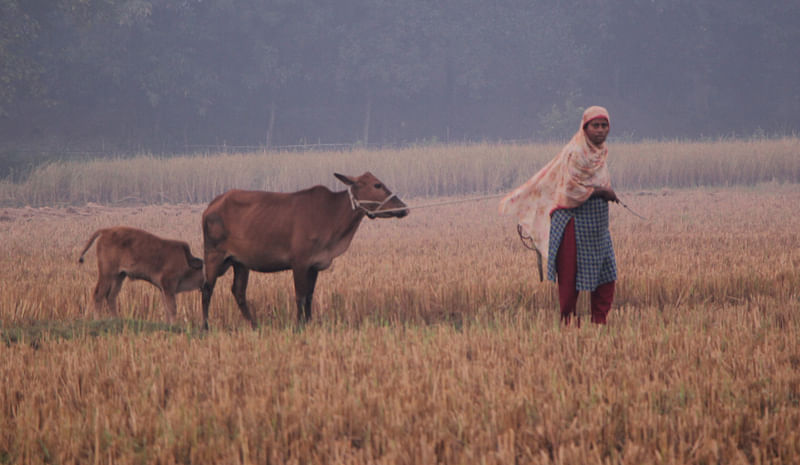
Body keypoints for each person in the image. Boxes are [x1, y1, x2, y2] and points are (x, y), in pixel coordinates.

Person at [499, 106, 618, 326]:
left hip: (598, 228)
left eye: (604, 125)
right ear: (585, 128)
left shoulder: (600, 152)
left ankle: (599, 322)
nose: (600, 130)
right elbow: (571, 190)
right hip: (574, 223)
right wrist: (603, 192)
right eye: (596, 126)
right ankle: (568, 323)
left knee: (607, 275)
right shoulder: (576, 152)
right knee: (569, 278)